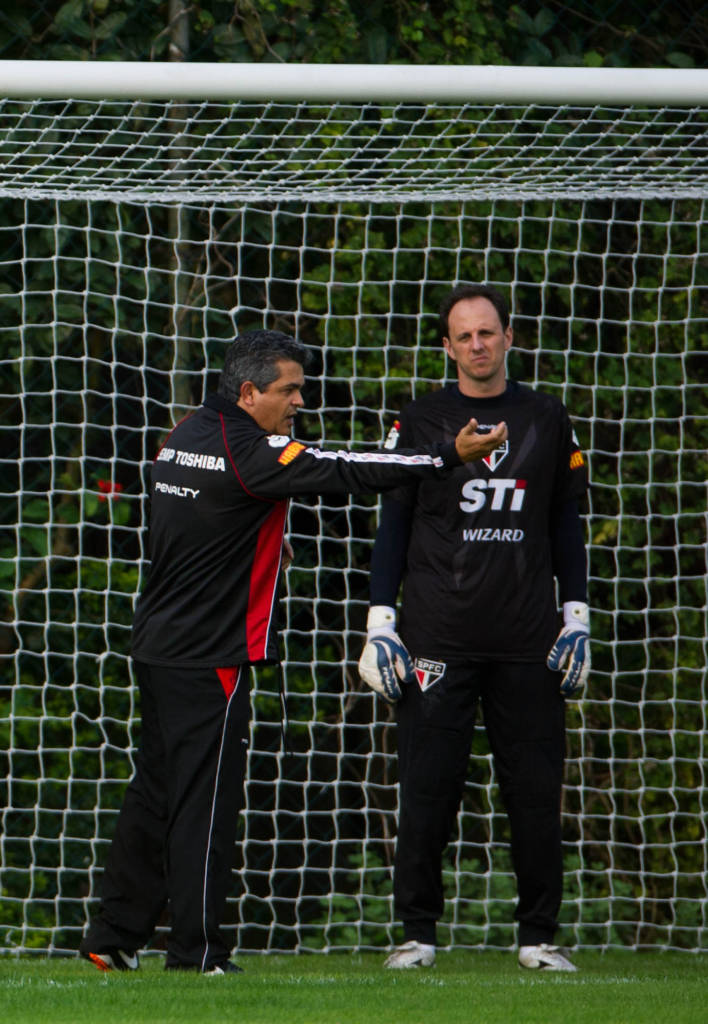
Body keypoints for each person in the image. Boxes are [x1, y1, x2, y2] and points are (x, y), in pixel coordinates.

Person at [79, 328, 507, 976]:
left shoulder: (184, 435)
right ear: (249, 393)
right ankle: (197, 953)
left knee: (155, 795)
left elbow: (204, 519)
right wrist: (447, 454)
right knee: (206, 805)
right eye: (290, 390)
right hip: (211, 656)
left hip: (158, 646)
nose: (300, 402)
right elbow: (351, 467)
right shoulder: (254, 452)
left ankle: (111, 937)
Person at [358, 284, 590, 972]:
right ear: (447, 347)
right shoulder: (421, 418)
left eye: (488, 332)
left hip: (528, 639)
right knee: (427, 789)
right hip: (437, 637)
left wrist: (576, 615)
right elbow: (393, 523)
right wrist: (380, 621)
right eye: (464, 335)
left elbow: (566, 524)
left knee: (535, 793)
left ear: (509, 337)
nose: (478, 344)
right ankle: (417, 934)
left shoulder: (546, 417)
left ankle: (538, 936)